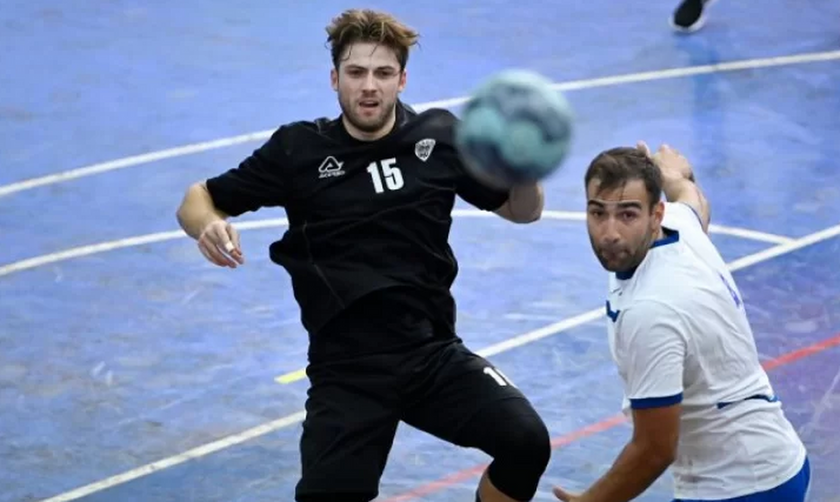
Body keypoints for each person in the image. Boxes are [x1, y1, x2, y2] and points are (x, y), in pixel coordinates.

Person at [175, 8, 552, 502]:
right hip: (347, 370)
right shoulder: (298, 150)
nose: (369, 87)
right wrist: (208, 226)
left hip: (430, 353)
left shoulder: (439, 136)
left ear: (402, 79)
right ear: (335, 79)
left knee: (526, 442)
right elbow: (195, 199)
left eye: (382, 73)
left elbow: (523, 212)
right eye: (355, 73)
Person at [552, 143, 810, 502]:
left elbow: (655, 449)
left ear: (655, 214)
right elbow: (691, 196)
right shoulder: (680, 225)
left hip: (738, 487)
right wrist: (674, 175)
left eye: (627, 215)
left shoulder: (651, 311)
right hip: (777, 461)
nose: (609, 232)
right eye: (598, 213)